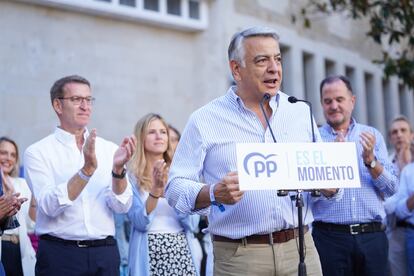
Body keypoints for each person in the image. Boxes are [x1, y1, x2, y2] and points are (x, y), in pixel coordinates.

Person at [165, 26, 339, 276]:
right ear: (236, 69)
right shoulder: (205, 119)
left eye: (278, 59)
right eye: (262, 60)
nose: (274, 68)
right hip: (240, 257)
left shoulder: (299, 111)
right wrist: (214, 192)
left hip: (301, 250)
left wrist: (329, 186)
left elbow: (324, 180)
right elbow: (174, 188)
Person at [24, 75, 136, 275]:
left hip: (105, 253)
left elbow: (122, 205)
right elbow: (49, 205)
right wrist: (86, 171)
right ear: (58, 105)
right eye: (77, 100)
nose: (85, 106)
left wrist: (118, 172)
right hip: (60, 254)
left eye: (89, 99)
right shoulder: (38, 152)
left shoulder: (109, 149)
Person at [312, 75, 397, 276]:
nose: (334, 106)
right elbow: (309, 194)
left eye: (339, 99)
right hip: (329, 239)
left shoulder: (372, 136)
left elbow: (392, 188)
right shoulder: (313, 140)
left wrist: (371, 161)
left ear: (353, 100)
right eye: (327, 101)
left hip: (372, 237)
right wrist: (332, 159)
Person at [127, 113, 199, 276]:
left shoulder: (180, 174)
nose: (159, 136)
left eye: (163, 131)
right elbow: (139, 222)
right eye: (152, 132)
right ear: (141, 137)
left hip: (181, 249)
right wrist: (155, 192)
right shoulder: (131, 177)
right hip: (148, 251)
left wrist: (170, 192)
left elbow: (193, 223)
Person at [0, 137, 36, 276]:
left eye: (13, 154)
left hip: (18, 250)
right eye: (3, 152)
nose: (8, 158)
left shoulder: (22, 183)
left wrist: (35, 193)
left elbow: (31, 225)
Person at [385, 115, 414, 276]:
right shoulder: (386, 166)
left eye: (403, 130)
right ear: (390, 138)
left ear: (412, 135)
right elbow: (387, 205)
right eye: (395, 132)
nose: (399, 135)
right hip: (395, 230)